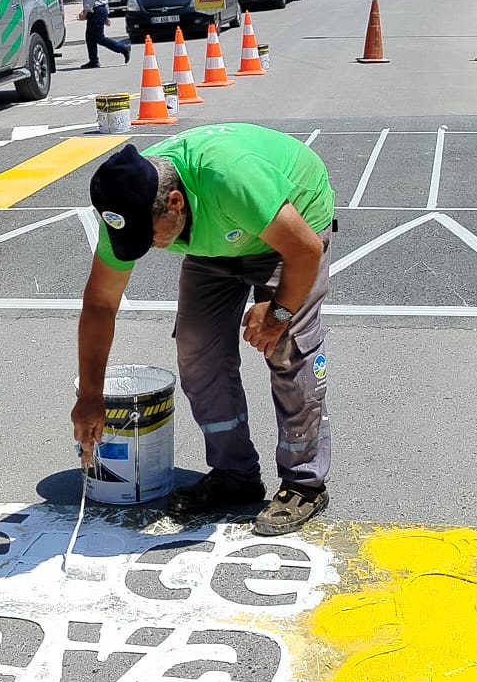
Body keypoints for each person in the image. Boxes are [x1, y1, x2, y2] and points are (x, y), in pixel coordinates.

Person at [73, 124, 335, 537]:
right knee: (197, 348)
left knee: (287, 349)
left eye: (149, 237)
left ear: (175, 202)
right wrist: (90, 396)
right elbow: (101, 304)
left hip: (290, 227)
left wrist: (280, 311)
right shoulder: (127, 203)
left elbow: (305, 249)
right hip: (216, 237)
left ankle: (304, 482)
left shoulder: (230, 178)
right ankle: (235, 473)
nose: (146, 248)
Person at [77, 0, 126, 68]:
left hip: (96, 10)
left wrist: (85, 11)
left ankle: (122, 48)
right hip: (97, 10)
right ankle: (93, 60)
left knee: (99, 37)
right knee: (89, 36)